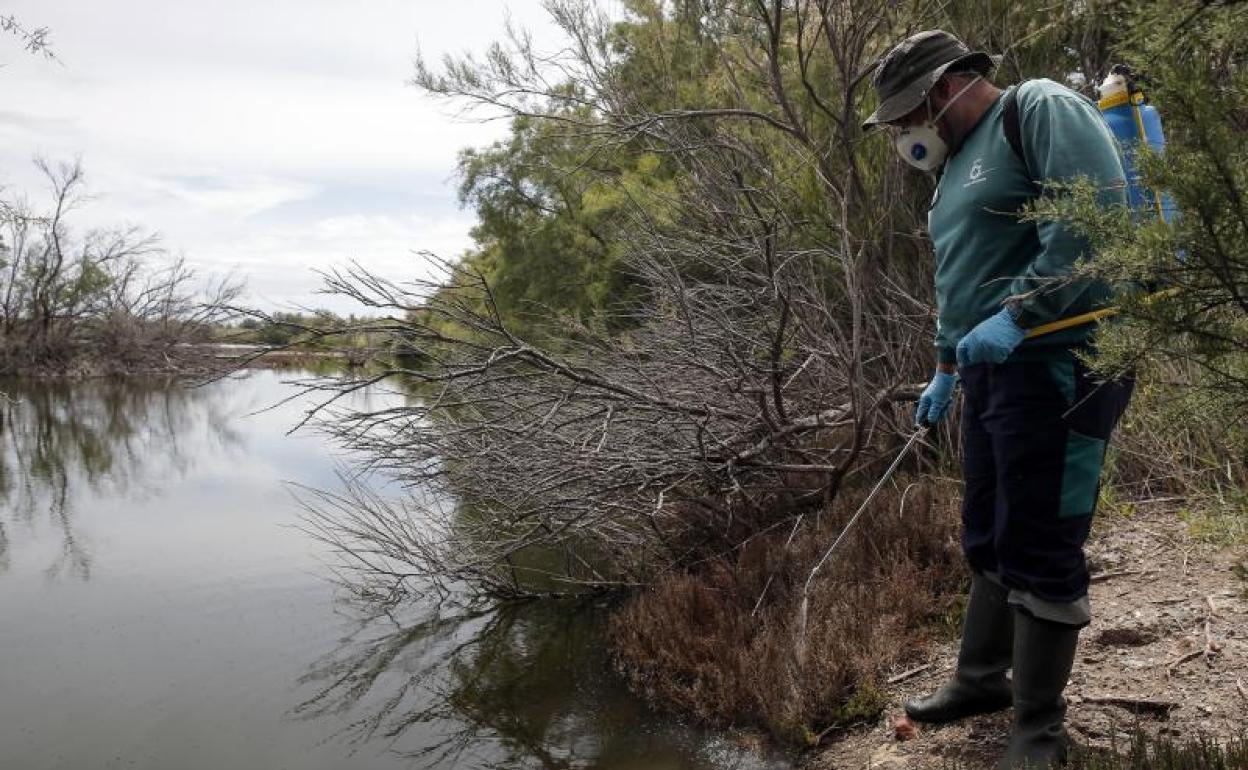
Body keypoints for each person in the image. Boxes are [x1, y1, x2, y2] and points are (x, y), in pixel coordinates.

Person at [861, 30, 1135, 769]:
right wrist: (945, 365)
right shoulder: (951, 172)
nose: (900, 135)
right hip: (991, 376)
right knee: (988, 530)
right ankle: (981, 680)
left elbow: (1091, 222)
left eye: (902, 117)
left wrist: (1017, 317)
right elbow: (964, 279)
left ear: (943, 91)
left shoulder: (1036, 108)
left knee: (1043, 540)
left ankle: (1039, 729)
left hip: (1060, 363)